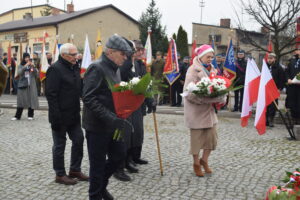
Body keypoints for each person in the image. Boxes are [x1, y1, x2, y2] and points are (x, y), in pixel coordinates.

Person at [82, 34, 133, 200]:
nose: (125, 58)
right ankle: (95, 195)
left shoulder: (115, 68)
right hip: (97, 126)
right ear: (110, 52)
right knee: (97, 166)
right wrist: (111, 118)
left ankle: (101, 186)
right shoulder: (96, 68)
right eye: (123, 54)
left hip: (114, 124)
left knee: (118, 156)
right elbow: (88, 98)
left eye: (126, 55)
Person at [45, 43, 88, 185]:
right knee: (59, 145)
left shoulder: (74, 67)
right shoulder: (55, 69)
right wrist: (55, 117)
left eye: (77, 54)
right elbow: (51, 95)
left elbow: (78, 88)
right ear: (64, 55)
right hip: (60, 116)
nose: (77, 57)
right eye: (73, 54)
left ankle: (75, 170)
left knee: (79, 140)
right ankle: (60, 174)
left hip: (74, 114)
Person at [114, 39, 154, 182]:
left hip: (137, 105)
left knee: (135, 134)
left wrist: (150, 100)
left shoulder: (139, 64)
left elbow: (145, 83)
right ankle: (119, 165)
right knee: (124, 136)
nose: (140, 52)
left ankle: (130, 159)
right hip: (124, 106)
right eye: (137, 50)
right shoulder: (123, 64)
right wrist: (129, 61)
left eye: (140, 50)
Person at [183, 44, 226, 177]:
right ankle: (196, 163)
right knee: (196, 141)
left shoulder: (213, 69)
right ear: (201, 56)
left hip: (209, 112)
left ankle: (204, 160)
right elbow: (188, 92)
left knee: (211, 139)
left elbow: (218, 85)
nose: (211, 59)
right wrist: (207, 99)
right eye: (208, 56)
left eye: (212, 57)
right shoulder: (192, 70)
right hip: (196, 111)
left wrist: (221, 97)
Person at [11, 53, 39, 121]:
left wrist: (34, 67)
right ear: (23, 58)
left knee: (31, 100)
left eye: (28, 57)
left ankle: (30, 115)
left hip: (31, 85)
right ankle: (17, 116)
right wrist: (25, 66)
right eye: (26, 57)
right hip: (23, 85)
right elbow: (19, 73)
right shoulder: (20, 65)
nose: (27, 59)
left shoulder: (32, 65)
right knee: (21, 101)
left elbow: (36, 74)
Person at [265, 53, 286, 127]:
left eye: (271, 58)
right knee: (266, 104)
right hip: (266, 89)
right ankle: (266, 119)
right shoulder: (265, 67)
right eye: (269, 58)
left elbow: (282, 79)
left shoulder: (279, 68)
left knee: (273, 105)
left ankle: (271, 119)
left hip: (275, 89)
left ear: (275, 59)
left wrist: (279, 88)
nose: (269, 60)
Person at [286, 49, 300, 125]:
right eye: (296, 50)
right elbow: (287, 71)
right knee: (292, 103)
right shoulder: (292, 61)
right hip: (292, 86)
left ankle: (299, 119)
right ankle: (294, 119)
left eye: (298, 50)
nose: (297, 51)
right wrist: (288, 78)